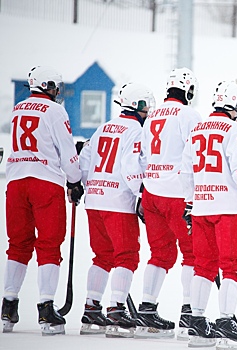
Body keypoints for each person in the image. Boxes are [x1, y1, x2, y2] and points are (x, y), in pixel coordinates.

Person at [180, 80, 237, 348]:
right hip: (227, 209)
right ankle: (225, 320)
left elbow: (186, 172)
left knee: (203, 265)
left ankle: (197, 321)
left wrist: (189, 202)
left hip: (201, 207)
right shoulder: (234, 129)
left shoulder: (197, 128)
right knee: (232, 265)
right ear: (235, 105)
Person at [1, 66, 84, 335]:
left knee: (18, 244)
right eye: (55, 88)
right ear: (48, 86)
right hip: (44, 182)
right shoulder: (54, 110)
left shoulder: (18, 108)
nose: (57, 92)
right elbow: (66, 149)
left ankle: (8, 305)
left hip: (15, 182)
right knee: (49, 244)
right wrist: (74, 179)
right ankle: (46, 309)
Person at [78, 82, 155, 338]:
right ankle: (116, 309)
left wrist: (91, 186)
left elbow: (85, 160)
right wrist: (141, 194)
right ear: (136, 106)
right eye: (145, 107)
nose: (147, 112)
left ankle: (91, 307)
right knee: (127, 256)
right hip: (117, 202)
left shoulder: (103, 127)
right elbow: (131, 166)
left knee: (102, 256)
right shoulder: (135, 130)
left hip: (95, 199)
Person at [136, 68, 202, 340]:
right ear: (188, 90)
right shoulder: (189, 115)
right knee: (193, 253)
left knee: (159, 253)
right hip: (177, 193)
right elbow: (196, 154)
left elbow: (141, 155)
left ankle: (146, 310)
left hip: (152, 192)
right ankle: (188, 312)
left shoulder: (152, 115)